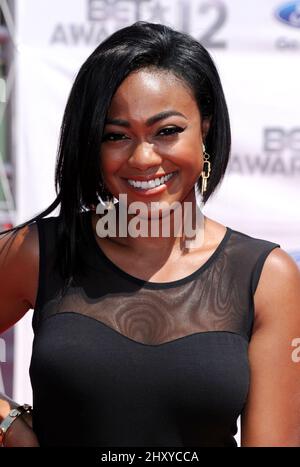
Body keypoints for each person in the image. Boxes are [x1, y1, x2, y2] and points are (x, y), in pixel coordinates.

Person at [0, 20, 300, 448]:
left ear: (206, 129)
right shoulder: (39, 251)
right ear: (92, 144)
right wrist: (9, 425)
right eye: (116, 136)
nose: (143, 158)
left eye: (167, 131)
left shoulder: (267, 277)